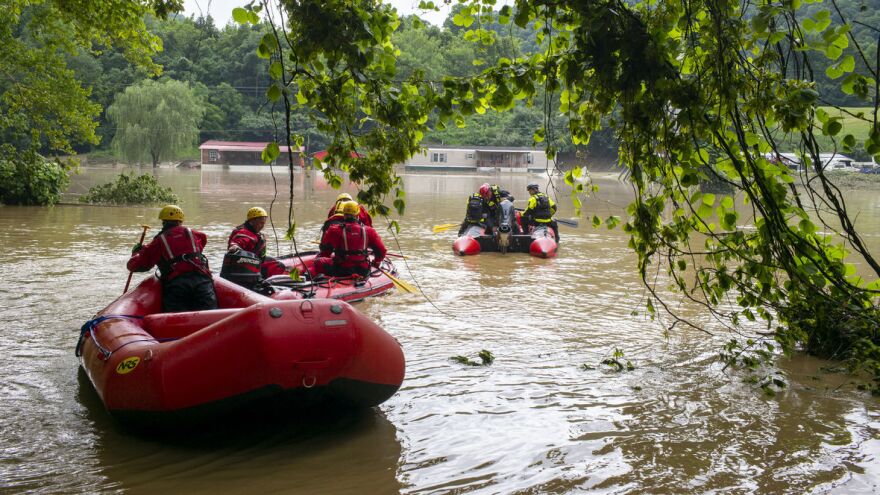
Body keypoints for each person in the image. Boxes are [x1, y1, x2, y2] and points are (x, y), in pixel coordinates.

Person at [127, 205, 217, 313]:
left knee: (177, 320)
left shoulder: (159, 241)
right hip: (202, 281)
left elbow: (136, 265)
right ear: (180, 221)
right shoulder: (194, 233)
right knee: (209, 315)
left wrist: (136, 252)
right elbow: (202, 241)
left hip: (178, 285)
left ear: (163, 221)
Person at [310, 201, 387, 279]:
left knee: (318, 262)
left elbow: (325, 250)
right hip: (363, 271)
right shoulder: (369, 231)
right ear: (357, 215)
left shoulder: (333, 230)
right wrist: (376, 261)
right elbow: (382, 251)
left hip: (341, 270)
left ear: (344, 215)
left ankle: (312, 281)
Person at [225, 206, 286, 280]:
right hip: (247, 266)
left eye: (264, 223)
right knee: (279, 266)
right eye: (261, 223)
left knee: (275, 261)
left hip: (255, 261)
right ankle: (264, 282)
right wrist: (235, 246)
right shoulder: (244, 233)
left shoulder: (252, 232)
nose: (262, 226)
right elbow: (236, 243)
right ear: (252, 221)